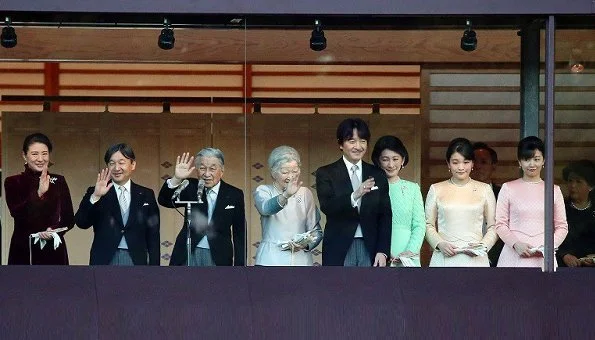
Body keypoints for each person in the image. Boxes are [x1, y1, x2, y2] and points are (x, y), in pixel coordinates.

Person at [315, 118, 391, 267]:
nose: (358, 146)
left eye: (362, 141)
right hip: (339, 246)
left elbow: (385, 216)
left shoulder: (377, 174)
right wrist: (355, 195)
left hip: (370, 246)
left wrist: (383, 251)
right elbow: (327, 206)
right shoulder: (326, 173)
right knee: (340, 290)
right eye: (352, 141)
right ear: (341, 144)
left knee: (370, 289)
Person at [75, 143, 160, 265]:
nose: (116, 168)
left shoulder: (146, 194)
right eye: (112, 163)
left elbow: (153, 234)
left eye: (121, 162)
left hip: (136, 258)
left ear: (133, 164)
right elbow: (81, 222)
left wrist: (154, 268)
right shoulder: (95, 192)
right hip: (105, 258)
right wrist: (96, 196)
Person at [158, 148, 245, 266]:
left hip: (219, 255)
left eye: (212, 169)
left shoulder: (234, 194)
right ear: (197, 170)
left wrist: (240, 267)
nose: (207, 174)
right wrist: (176, 178)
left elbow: (240, 233)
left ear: (222, 170)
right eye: (202, 168)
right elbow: (165, 201)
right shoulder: (190, 186)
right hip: (188, 252)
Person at [495, 136, 568, 268]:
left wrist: (549, 247)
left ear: (544, 160)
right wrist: (516, 244)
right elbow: (500, 224)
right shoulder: (508, 188)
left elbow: (562, 226)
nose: (532, 164)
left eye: (536, 159)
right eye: (527, 159)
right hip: (513, 255)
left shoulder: (554, 190)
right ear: (519, 162)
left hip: (544, 256)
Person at [425, 137, 498, 267]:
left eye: (466, 162)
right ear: (448, 163)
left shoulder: (485, 189)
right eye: (455, 162)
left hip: (476, 258)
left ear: (472, 164)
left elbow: (493, 227)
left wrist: (483, 246)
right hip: (444, 257)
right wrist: (439, 244)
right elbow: (428, 224)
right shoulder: (436, 189)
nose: (461, 167)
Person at [5, 133, 74, 265]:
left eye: (44, 153)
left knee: (55, 285)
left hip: (53, 249)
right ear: (24, 156)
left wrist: (53, 230)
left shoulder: (58, 181)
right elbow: (17, 213)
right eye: (35, 154)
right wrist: (39, 193)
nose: (40, 159)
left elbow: (69, 219)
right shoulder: (13, 182)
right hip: (24, 248)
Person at [253, 146, 322, 266]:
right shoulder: (263, 190)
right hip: (270, 260)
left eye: (295, 171)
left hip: (301, 261)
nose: (290, 177)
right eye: (285, 172)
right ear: (273, 173)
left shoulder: (305, 193)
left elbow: (316, 231)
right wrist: (286, 195)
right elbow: (265, 209)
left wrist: (305, 244)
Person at [371, 135, 425, 267]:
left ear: (403, 160)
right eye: (385, 159)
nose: (391, 165)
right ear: (378, 161)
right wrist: (383, 251)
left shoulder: (413, 188)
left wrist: (409, 251)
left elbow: (419, 225)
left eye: (395, 159)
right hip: (378, 256)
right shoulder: (370, 188)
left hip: (408, 257)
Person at [556, 160, 595, 267]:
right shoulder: (560, 208)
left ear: (591, 186)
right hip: (565, 270)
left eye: (578, 182)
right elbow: (549, 239)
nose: (572, 185)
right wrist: (564, 255)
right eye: (570, 181)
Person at [471, 142, 504, 266]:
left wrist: (489, 256)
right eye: (474, 162)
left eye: (483, 162)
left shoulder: (503, 194)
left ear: (493, 165)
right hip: (466, 258)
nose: (478, 166)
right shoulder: (458, 194)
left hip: (498, 260)